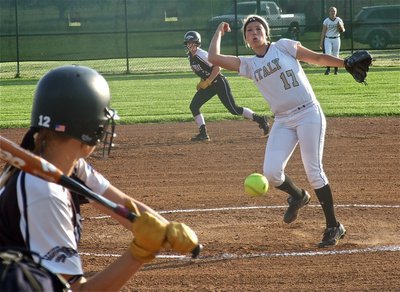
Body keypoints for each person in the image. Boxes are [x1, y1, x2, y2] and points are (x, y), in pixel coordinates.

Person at [0, 65, 199, 291]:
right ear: (90, 130)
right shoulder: (45, 194)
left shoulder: (68, 164)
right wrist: (138, 254)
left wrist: (167, 230)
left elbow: (121, 204)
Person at [208, 16, 346, 248]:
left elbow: (318, 58)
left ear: (266, 33)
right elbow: (213, 58)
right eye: (249, 30)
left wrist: (347, 64)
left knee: (314, 171)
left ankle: (334, 226)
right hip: (283, 120)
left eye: (258, 28)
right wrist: (219, 31)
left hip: (308, 113)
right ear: (246, 39)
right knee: (271, 174)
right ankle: (299, 196)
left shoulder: (283, 46)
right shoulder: (249, 64)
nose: (254, 32)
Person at [183, 30, 269, 141]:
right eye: (189, 43)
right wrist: (202, 81)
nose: (191, 45)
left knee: (234, 109)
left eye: (193, 43)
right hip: (209, 84)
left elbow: (217, 67)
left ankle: (261, 119)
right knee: (194, 106)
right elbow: (204, 70)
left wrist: (208, 81)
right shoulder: (190, 56)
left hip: (219, 83)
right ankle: (203, 134)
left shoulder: (202, 54)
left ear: (198, 43)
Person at [320, 6, 345, 75]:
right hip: (328, 39)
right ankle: (328, 69)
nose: (333, 12)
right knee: (328, 54)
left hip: (336, 38)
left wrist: (341, 27)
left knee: (336, 54)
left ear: (336, 12)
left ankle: (336, 70)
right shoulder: (326, 21)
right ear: (329, 12)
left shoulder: (339, 20)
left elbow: (343, 30)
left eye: (334, 11)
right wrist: (321, 42)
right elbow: (323, 32)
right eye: (331, 11)